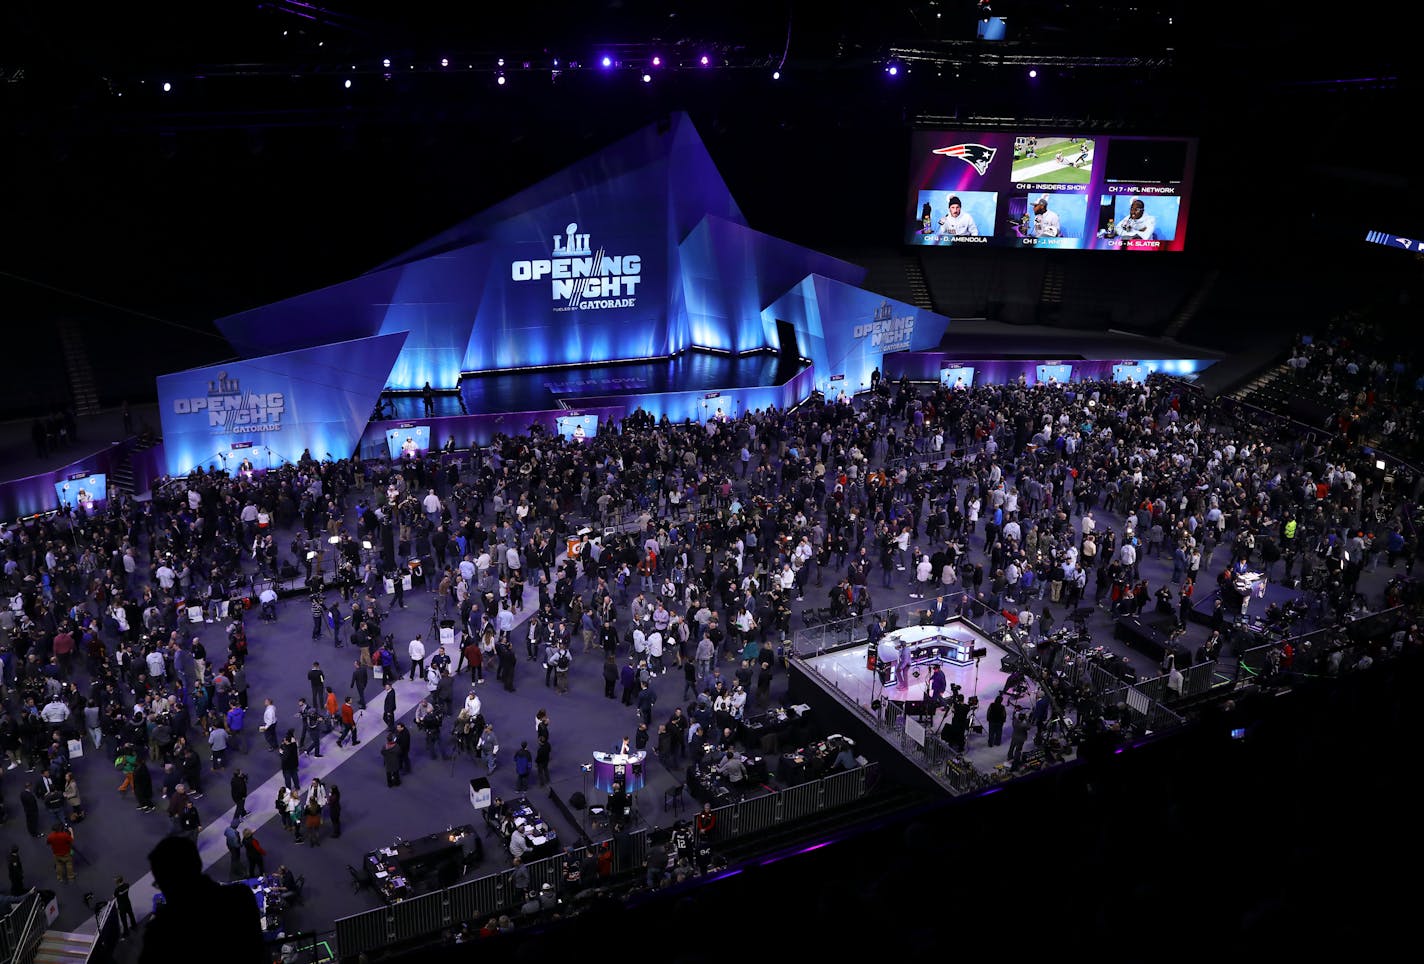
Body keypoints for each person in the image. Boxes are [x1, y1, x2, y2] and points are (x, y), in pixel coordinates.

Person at [139, 835, 264, 964]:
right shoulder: (240, 896)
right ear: (198, 864)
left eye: (159, 883)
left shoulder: (159, 933)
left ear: (166, 883)